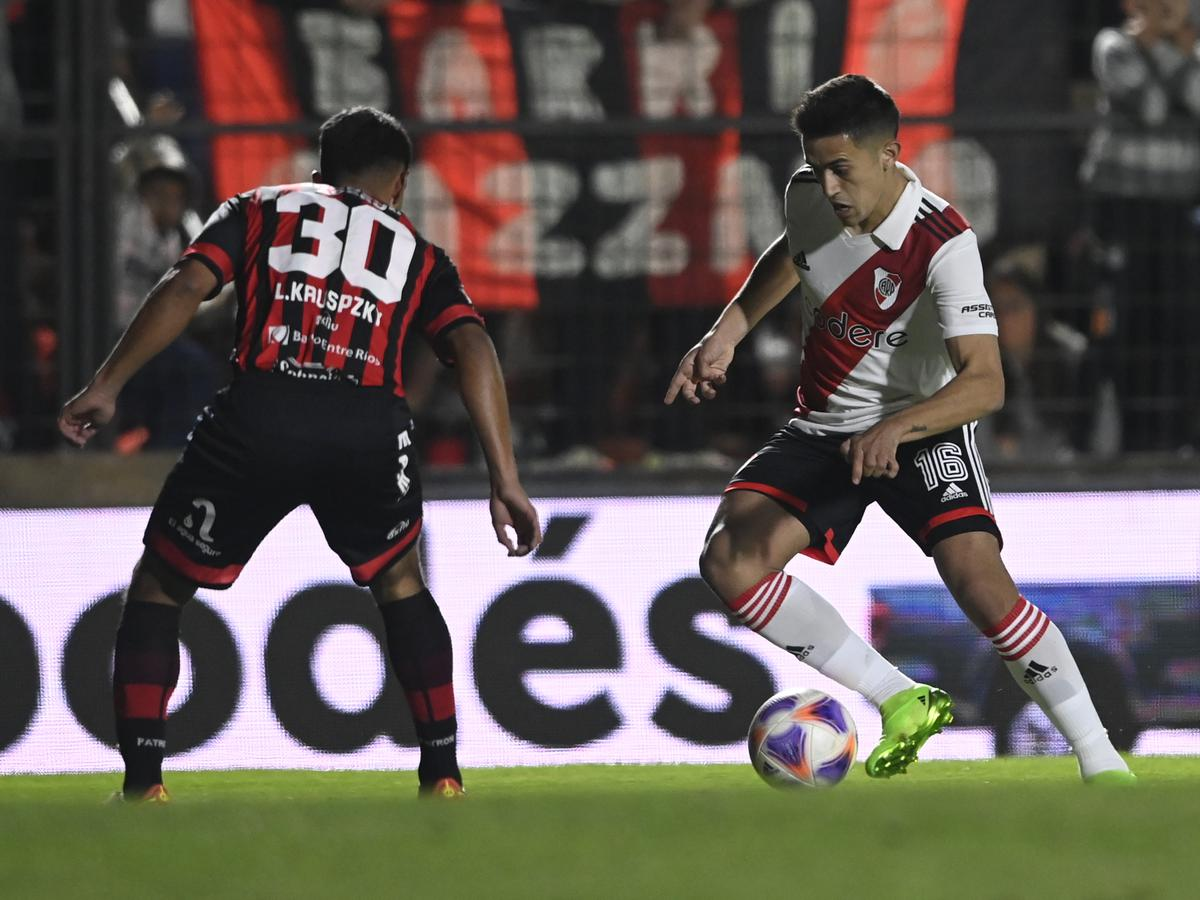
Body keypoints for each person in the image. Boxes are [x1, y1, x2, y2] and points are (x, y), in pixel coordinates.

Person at [58, 106, 542, 802]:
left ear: (318, 173)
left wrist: (107, 384)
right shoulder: (418, 251)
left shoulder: (259, 209)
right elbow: (471, 345)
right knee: (401, 581)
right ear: (399, 185)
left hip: (261, 413)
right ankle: (442, 776)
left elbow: (188, 285)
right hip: (367, 424)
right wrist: (506, 478)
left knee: (162, 584)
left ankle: (143, 786)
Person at [664, 75, 1134, 785]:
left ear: (890, 154)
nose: (827, 187)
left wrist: (902, 427)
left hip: (924, 427)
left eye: (841, 169)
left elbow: (986, 381)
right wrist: (727, 330)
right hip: (825, 426)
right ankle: (900, 698)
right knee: (729, 559)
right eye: (817, 169)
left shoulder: (943, 243)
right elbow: (793, 252)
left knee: (978, 581)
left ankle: (1101, 763)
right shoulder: (807, 194)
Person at [1080, 0, 1200, 452]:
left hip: (1176, 209)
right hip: (1123, 208)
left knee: (1181, 320)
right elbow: (1149, 106)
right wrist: (1180, 59)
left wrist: (1174, 59)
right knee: (1124, 322)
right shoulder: (1112, 45)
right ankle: (1126, 439)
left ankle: (1180, 435)